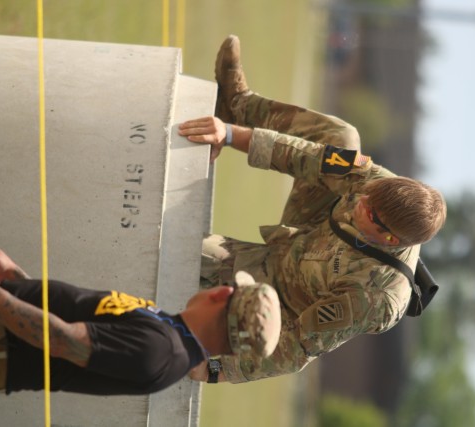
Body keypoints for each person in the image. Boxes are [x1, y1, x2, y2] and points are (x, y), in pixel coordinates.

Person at [178, 35, 447, 383]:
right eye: (369, 194)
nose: (362, 201)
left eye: (371, 212)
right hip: (312, 227)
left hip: (282, 290)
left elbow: (296, 348)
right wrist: (229, 133)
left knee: (186, 254)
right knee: (344, 137)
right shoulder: (380, 188)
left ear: (390, 238)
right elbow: (307, 157)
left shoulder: (375, 298)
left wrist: (216, 370)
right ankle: (236, 103)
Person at [0, 249, 281, 395]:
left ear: (224, 293)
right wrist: (13, 275)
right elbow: (68, 311)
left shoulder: (162, 350)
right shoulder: (170, 335)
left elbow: (61, 340)